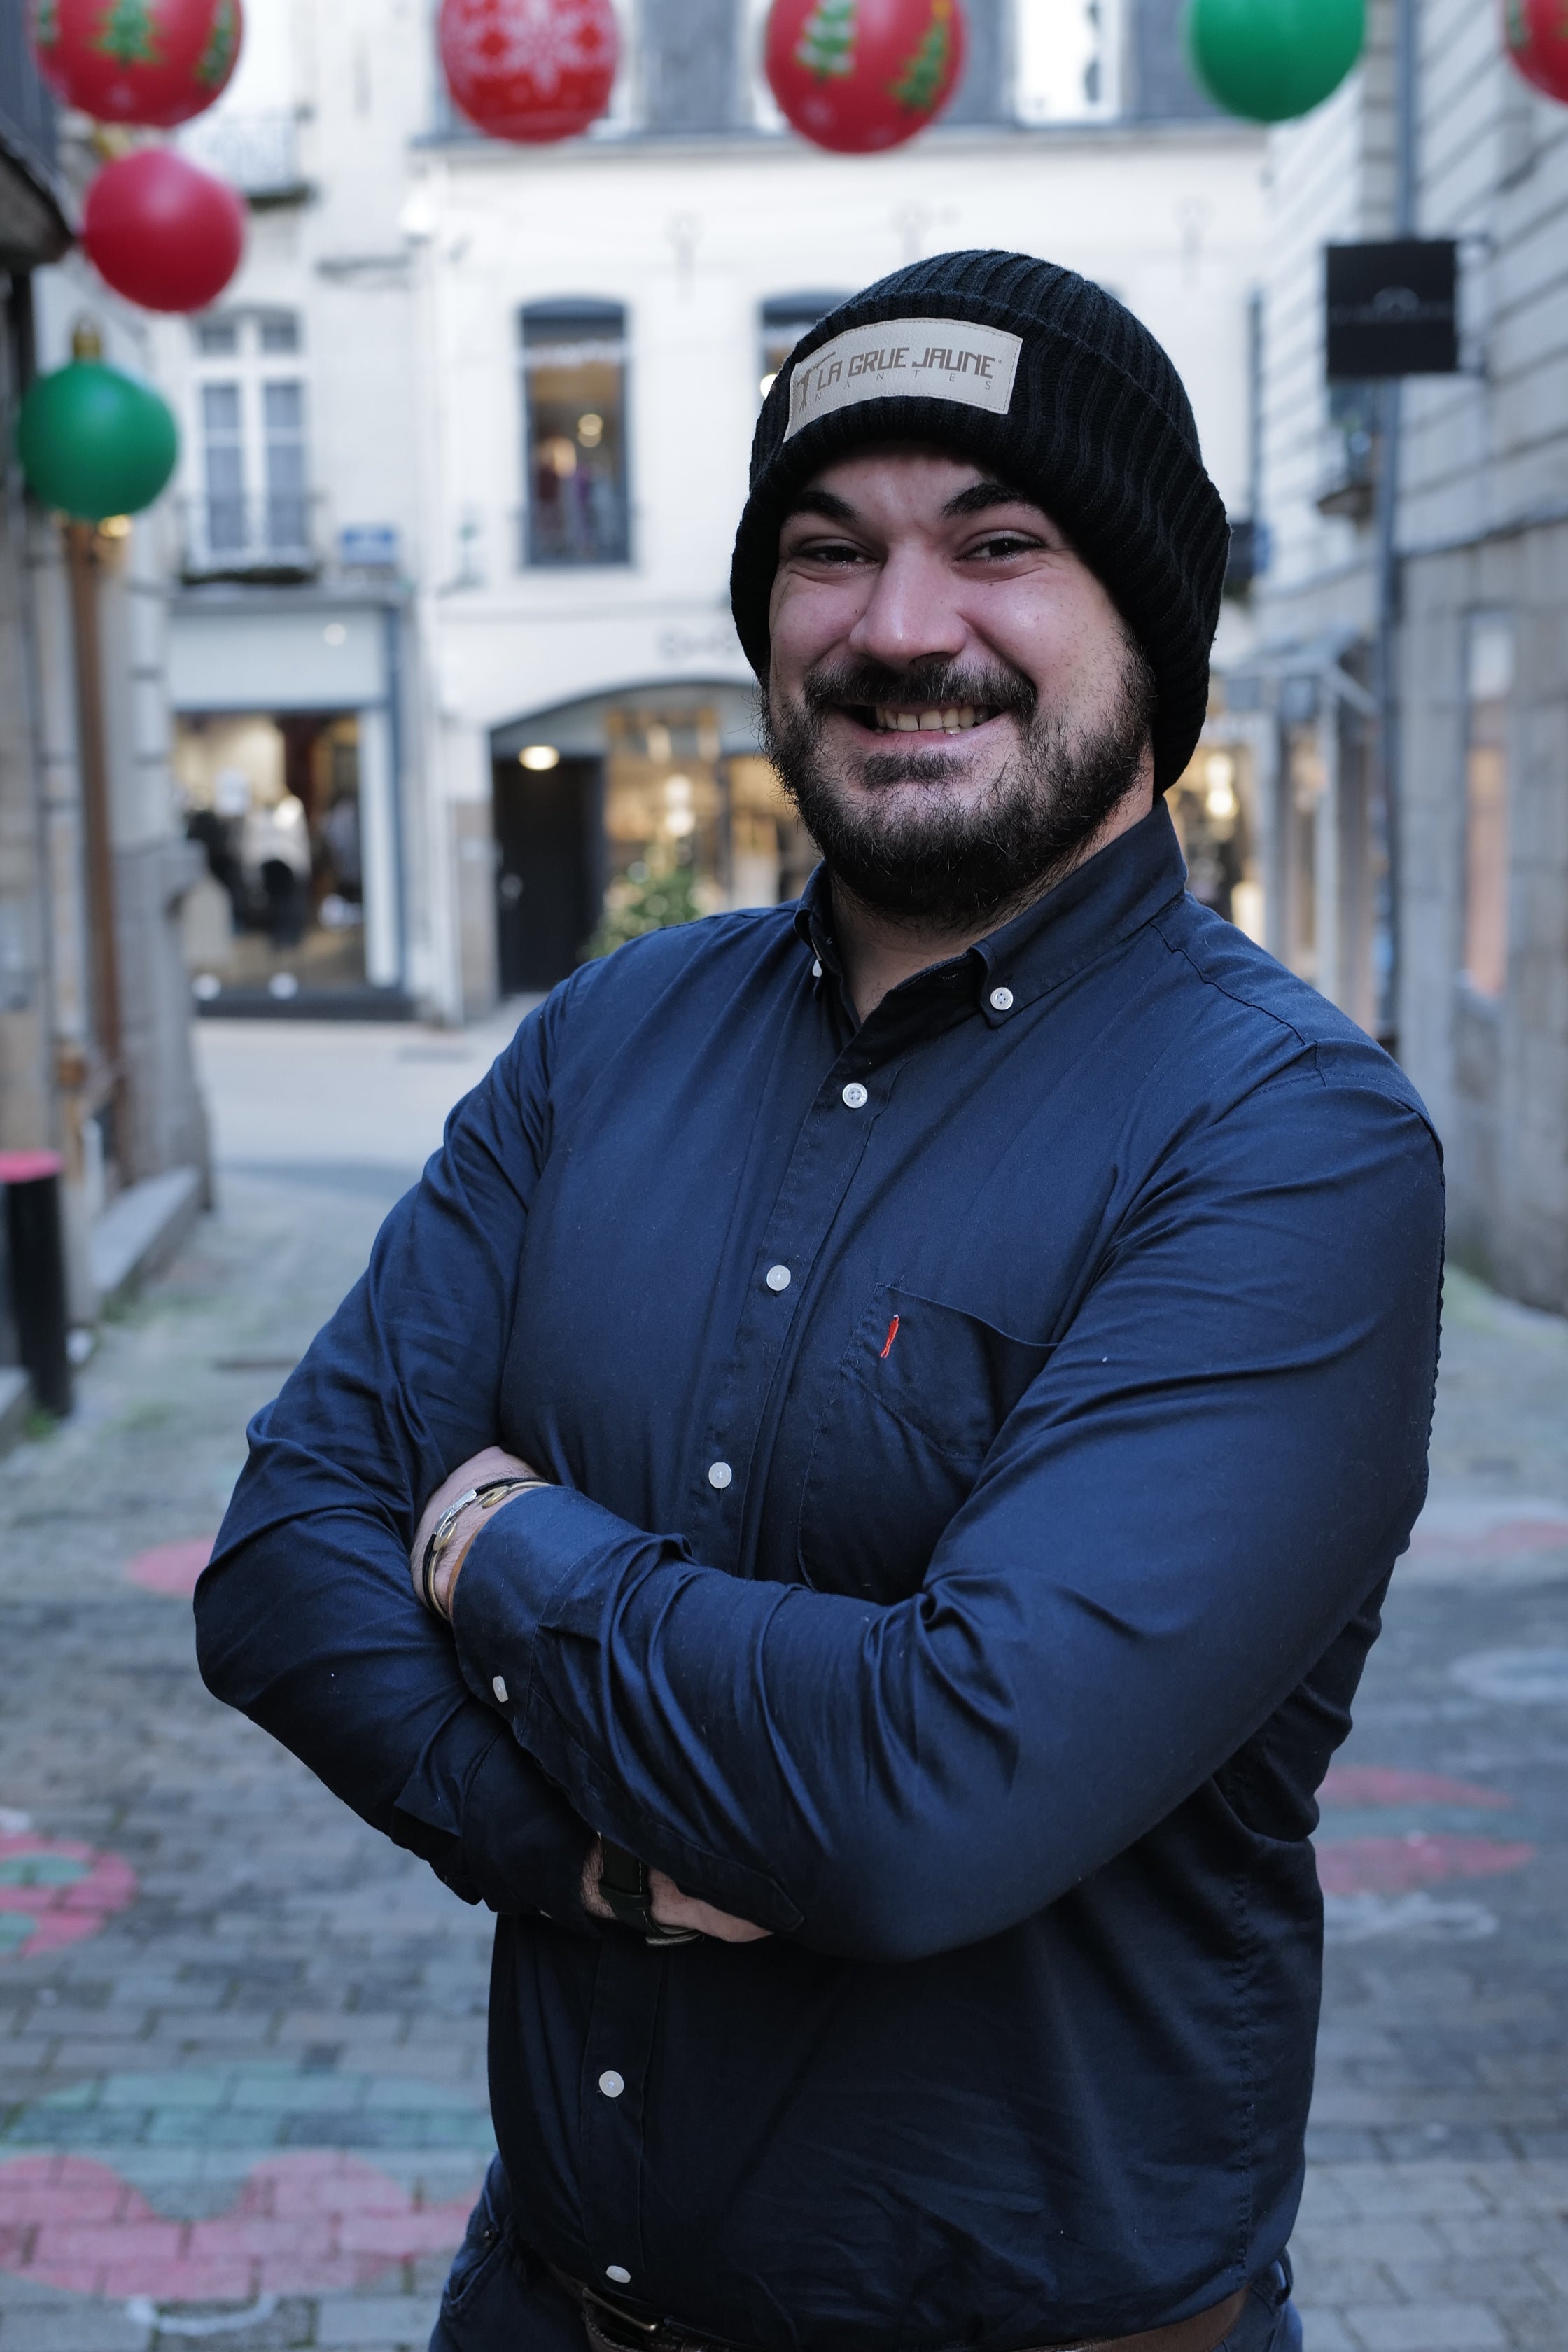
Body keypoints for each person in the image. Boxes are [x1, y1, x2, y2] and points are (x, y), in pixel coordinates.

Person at [196, 253, 1444, 2352]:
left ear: (1148, 621)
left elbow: (926, 1795)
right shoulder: (608, 1039)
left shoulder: (1290, 1143)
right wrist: (573, 1854)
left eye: (1000, 547)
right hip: (542, 2308)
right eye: (827, 553)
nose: (899, 629)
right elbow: (279, 1556)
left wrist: (499, 1541)